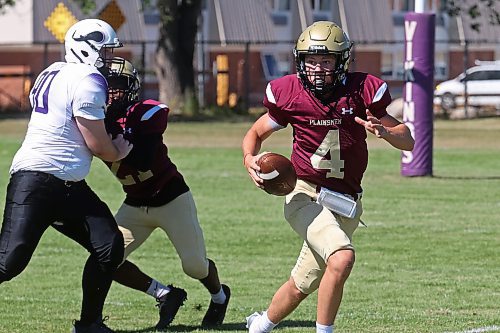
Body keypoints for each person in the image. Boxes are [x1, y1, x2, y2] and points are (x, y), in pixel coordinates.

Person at [242, 21, 415, 333]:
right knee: (341, 258)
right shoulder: (289, 93)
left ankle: (260, 326)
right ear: (300, 61)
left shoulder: (362, 90)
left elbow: (408, 139)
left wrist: (385, 132)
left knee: (302, 283)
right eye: (311, 61)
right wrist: (248, 157)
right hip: (302, 193)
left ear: (341, 61)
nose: (318, 68)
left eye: (326, 61)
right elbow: (255, 132)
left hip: (346, 201)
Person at [0, 19, 133, 333]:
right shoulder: (88, 79)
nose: (109, 59)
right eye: (105, 50)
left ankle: (89, 325)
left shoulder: (53, 70)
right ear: (86, 47)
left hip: (67, 184)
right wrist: (120, 150)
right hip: (38, 180)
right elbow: (99, 146)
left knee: (108, 245)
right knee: (8, 261)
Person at [102, 57, 231, 331]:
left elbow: (143, 159)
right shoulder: (92, 120)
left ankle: (219, 296)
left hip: (171, 198)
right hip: (135, 204)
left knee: (195, 266)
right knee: (105, 258)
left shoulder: (144, 112)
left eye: (117, 85)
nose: (111, 92)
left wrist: (111, 132)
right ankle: (164, 294)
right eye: (105, 85)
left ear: (132, 88)